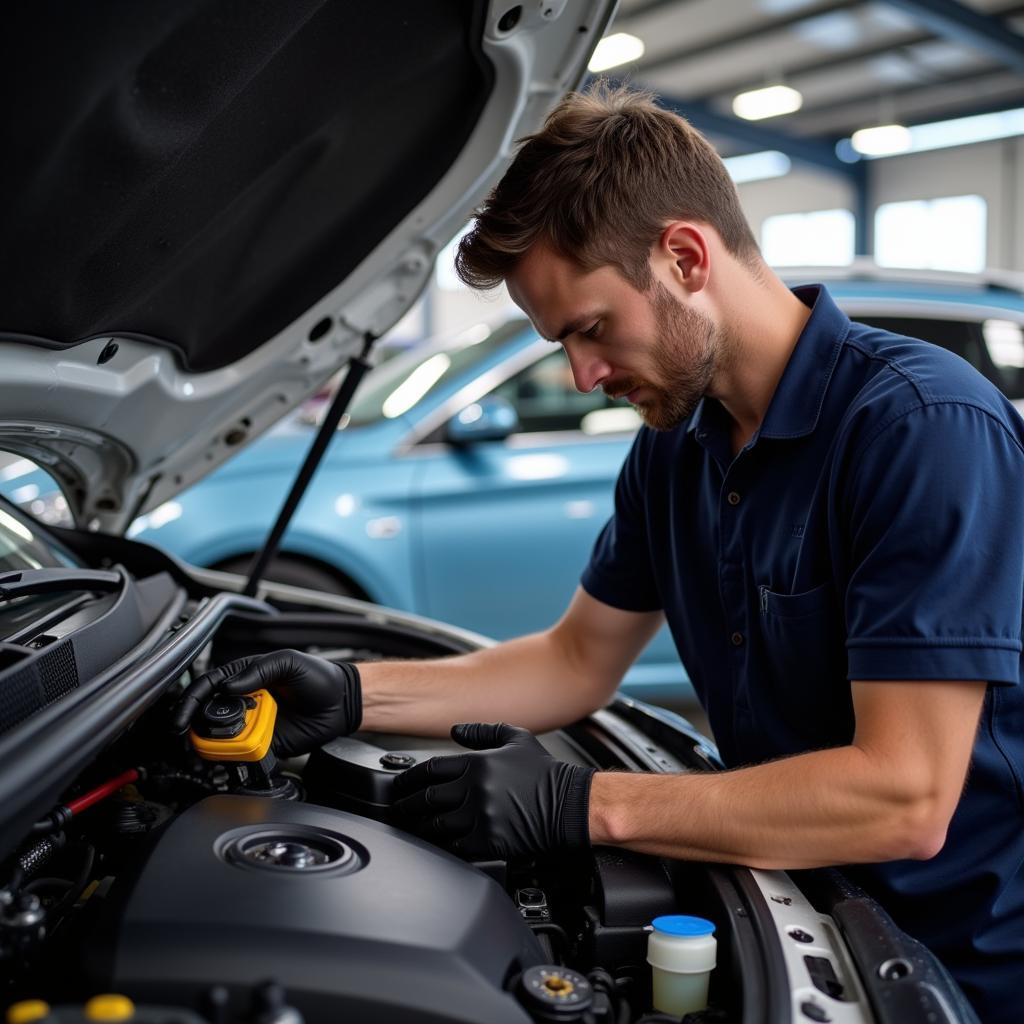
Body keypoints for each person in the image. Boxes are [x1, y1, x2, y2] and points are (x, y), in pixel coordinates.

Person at [178, 84, 1024, 1021]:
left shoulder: (920, 428)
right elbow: (574, 660)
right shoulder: (675, 448)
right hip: (793, 896)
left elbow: (904, 797)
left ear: (685, 256)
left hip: (956, 969)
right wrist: (350, 693)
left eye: (589, 328)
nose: (583, 375)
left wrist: (587, 804)